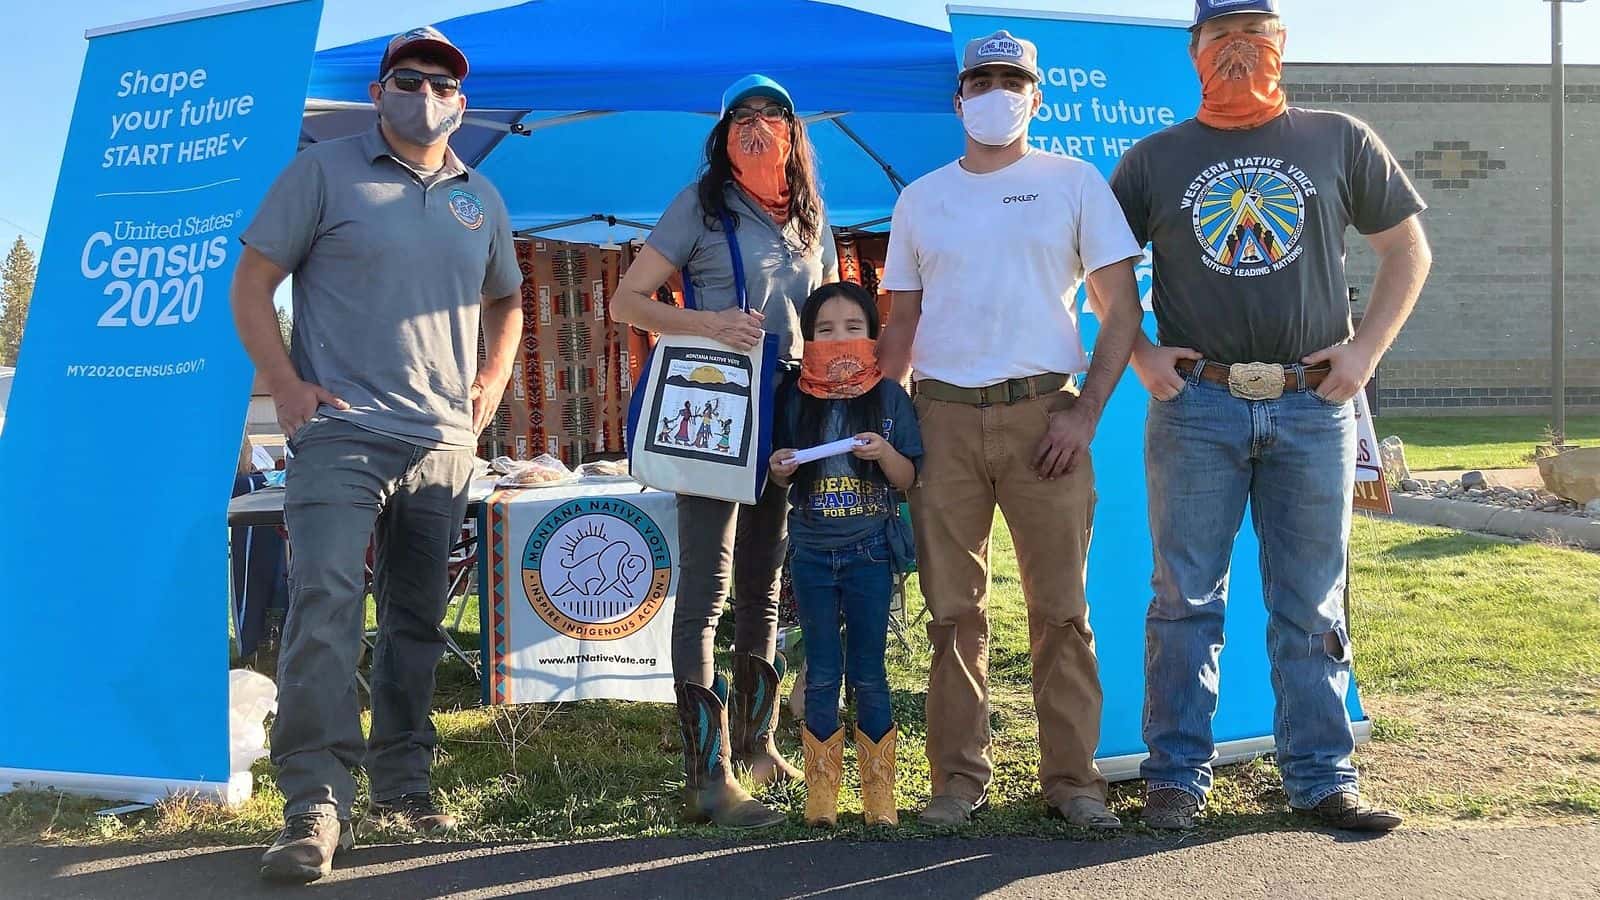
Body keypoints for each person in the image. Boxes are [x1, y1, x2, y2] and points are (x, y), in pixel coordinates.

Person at [1108, 0, 1432, 832]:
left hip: (1312, 406)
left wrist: (1364, 354)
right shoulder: (1154, 159)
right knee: (1183, 599)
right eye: (1221, 35)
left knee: (1312, 601)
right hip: (1196, 406)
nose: (1239, 50)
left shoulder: (1339, 139)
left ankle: (1323, 778)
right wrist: (1140, 352)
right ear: (1194, 50)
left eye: (1256, 34)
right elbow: (1101, 264)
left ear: (1282, 44)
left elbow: (1407, 249)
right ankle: (1175, 778)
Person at [231, 27, 523, 882]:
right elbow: (251, 284)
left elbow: (507, 301)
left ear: (462, 103)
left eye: (442, 84)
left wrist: (491, 385)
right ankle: (316, 804)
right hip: (342, 433)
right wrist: (285, 386)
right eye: (408, 78)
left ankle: (404, 784)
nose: (426, 94)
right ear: (378, 92)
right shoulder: (322, 172)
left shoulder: (481, 197)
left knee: (417, 620)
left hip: (443, 441)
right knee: (325, 604)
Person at [877, 30, 1145, 830]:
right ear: (958, 98)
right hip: (941, 419)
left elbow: (1122, 310)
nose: (996, 93)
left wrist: (1086, 412)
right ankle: (957, 782)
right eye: (981, 80)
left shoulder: (1074, 182)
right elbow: (901, 321)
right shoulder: (921, 197)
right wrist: (877, 415)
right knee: (952, 612)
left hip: (1045, 417)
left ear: (1036, 97)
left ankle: (1073, 782)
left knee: (1061, 609)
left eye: (1012, 80)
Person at [612, 74, 839, 828]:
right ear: (723, 134)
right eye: (740, 114)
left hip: (790, 407)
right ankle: (707, 776)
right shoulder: (701, 205)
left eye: (771, 112)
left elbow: (828, 311)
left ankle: (756, 744)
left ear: (793, 131)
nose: (754, 123)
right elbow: (626, 301)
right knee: (708, 586)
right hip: (716, 404)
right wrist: (708, 324)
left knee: (764, 583)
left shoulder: (811, 214)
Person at [769, 283, 923, 828]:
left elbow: (907, 478)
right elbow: (778, 472)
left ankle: (879, 794)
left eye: (854, 328)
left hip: (870, 552)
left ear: (873, 336)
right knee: (821, 671)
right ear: (809, 339)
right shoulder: (794, 397)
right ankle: (822, 794)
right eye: (825, 330)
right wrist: (780, 467)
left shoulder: (890, 398)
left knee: (869, 671)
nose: (840, 339)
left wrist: (884, 453)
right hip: (811, 552)